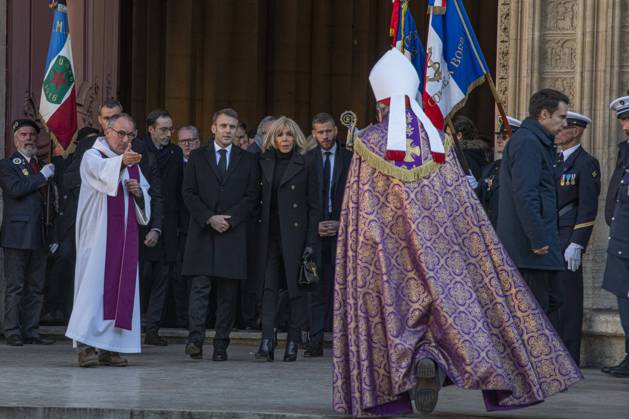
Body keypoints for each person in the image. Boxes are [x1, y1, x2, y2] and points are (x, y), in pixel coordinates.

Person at [333, 48, 581, 417]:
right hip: (441, 253)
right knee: (449, 315)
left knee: (392, 315)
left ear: (381, 103)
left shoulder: (369, 143)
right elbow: (462, 207)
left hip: (387, 255)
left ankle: (394, 390)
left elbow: (362, 208)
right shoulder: (439, 143)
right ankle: (435, 358)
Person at [65, 113, 151, 367]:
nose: (126, 140)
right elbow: (102, 176)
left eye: (131, 135)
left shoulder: (132, 163)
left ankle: (110, 347)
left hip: (124, 242)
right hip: (97, 239)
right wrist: (121, 164)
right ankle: (85, 346)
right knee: (93, 291)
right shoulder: (93, 157)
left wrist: (138, 194)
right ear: (108, 132)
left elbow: (146, 196)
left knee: (120, 289)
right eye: (121, 134)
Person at [182, 108, 259, 361]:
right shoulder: (197, 156)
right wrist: (208, 217)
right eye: (223, 126)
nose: (228, 131)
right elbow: (188, 193)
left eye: (232, 127)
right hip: (203, 232)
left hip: (232, 233)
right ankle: (195, 341)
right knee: (200, 289)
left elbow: (251, 196)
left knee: (228, 293)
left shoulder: (247, 159)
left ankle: (220, 345)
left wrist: (232, 219)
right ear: (213, 128)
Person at [497, 88, 569, 313]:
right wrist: (537, 238)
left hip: (536, 249)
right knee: (536, 314)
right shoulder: (528, 142)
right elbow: (525, 194)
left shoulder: (537, 141)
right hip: (530, 251)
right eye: (562, 117)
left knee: (551, 305)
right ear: (544, 115)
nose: (565, 124)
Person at [254, 116, 321, 362]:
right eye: (281, 135)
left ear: (297, 137)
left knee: (296, 290)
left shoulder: (307, 163)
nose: (285, 139)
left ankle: (293, 341)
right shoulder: (262, 161)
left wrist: (311, 242)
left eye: (289, 135)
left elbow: (315, 207)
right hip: (269, 234)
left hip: (296, 236)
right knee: (269, 289)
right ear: (273, 138)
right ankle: (266, 341)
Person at [548, 111, 600, 365]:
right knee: (550, 295)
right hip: (549, 234)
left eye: (563, 129)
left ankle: (568, 356)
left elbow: (588, 207)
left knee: (568, 298)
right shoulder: (552, 161)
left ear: (577, 131)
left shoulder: (585, 163)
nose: (558, 133)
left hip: (568, 235)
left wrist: (578, 242)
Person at [0, 119, 56, 346]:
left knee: (36, 287)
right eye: (24, 135)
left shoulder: (41, 164)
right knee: (15, 287)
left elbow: (50, 203)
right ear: (15, 139)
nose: (29, 139)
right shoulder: (7, 165)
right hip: (16, 235)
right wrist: (42, 176)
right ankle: (12, 331)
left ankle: (32, 330)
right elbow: (15, 190)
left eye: (32, 135)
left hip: (39, 234)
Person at [305, 113, 351, 357]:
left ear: (336, 131)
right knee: (314, 285)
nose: (325, 136)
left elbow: (354, 198)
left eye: (328, 131)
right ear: (313, 133)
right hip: (314, 235)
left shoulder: (349, 158)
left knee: (340, 286)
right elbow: (302, 202)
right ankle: (314, 340)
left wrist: (340, 224)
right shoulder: (306, 160)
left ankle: (341, 342)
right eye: (320, 132)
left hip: (341, 234)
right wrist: (315, 227)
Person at [43, 126, 100, 323]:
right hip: (68, 225)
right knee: (66, 260)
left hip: (92, 224)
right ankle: (55, 307)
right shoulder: (66, 164)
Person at [140, 110, 183, 345]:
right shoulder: (138, 150)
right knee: (141, 275)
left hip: (168, 222)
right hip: (142, 221)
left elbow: (179, 188)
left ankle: (153, 328)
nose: (168, 134)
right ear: (151, 129)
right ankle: (134, 323)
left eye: (170, 129)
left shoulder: (175, 153)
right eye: (164, 129)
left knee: (162, 277)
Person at [601, 92, 629, 378]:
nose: (624, 126)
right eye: (622, 121)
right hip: (622, 243)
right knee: (625, 304)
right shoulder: (625, 152)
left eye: (628, 120)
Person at [174, 125, 201, 328]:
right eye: (183, 141)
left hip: (202, 227)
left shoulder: (205, 163)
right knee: (179, 276)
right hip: (180, 229)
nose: (187, 145)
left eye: (191, 141)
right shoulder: (175, 164)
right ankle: (181, 319)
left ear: (198, 142)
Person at [479, 116, 521, 227]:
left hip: (509, 227)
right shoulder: (492, 167)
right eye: (499, 136)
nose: (499, 140)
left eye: (504, 137)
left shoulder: (520, 167)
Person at [453, 115, 491, 181]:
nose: (446, 138)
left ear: (459, 135)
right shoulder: (479, 151)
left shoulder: (461, 156)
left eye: (448, 134)